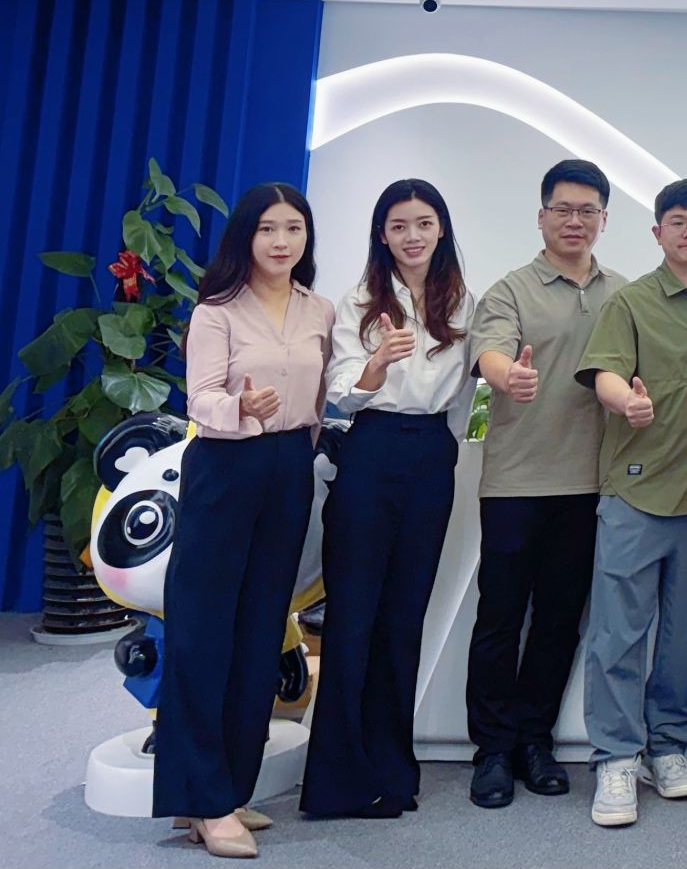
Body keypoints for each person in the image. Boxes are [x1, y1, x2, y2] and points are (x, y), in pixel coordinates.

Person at [154, 184, 334, 859]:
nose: (282, 241)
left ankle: (225, 789)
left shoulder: (320, 309)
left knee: (262, 631)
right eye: (267, 229)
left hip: (288, 469)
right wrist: (241, 407)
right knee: (204, 631)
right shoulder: (217, 311)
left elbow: (322, 395)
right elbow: (199, 399)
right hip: (226, 464)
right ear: (245, 237)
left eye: (294, 228)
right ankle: (202, 799)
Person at [575, 179, 687, 827]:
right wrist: (627, 400)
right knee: (618, 633)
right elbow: (605, 372)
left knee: (684, 634)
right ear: (657, 233)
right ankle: (617, 757)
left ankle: (668, 745)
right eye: (677, 221)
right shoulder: (631, 301)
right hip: (638, 490)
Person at [303, 180, 476, 819]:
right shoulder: (357, 301)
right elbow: (341, 391)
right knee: (353, 617)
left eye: (423, 223)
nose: (412, 236)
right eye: (399, 225)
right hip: (371, 450)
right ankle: (337, 784)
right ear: (382, 234)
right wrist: (376, 366)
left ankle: (393, 773)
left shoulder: (462, 300)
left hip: (431, 457)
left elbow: (463, 395)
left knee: (405, 618)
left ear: (441, 228)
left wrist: (447, 445)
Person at [464, 160, 625, 808]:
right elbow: (489, 353)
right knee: (500, 619)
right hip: (516, 482)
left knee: (560, 621)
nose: (575, 221)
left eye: (588, 210)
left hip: (590, 483)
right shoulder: (510, 289)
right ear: (541, 216)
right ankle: (491, 750)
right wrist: (507, 375)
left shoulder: (623, 293)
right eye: (563, 209)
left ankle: (535, 740)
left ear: (604, 219)